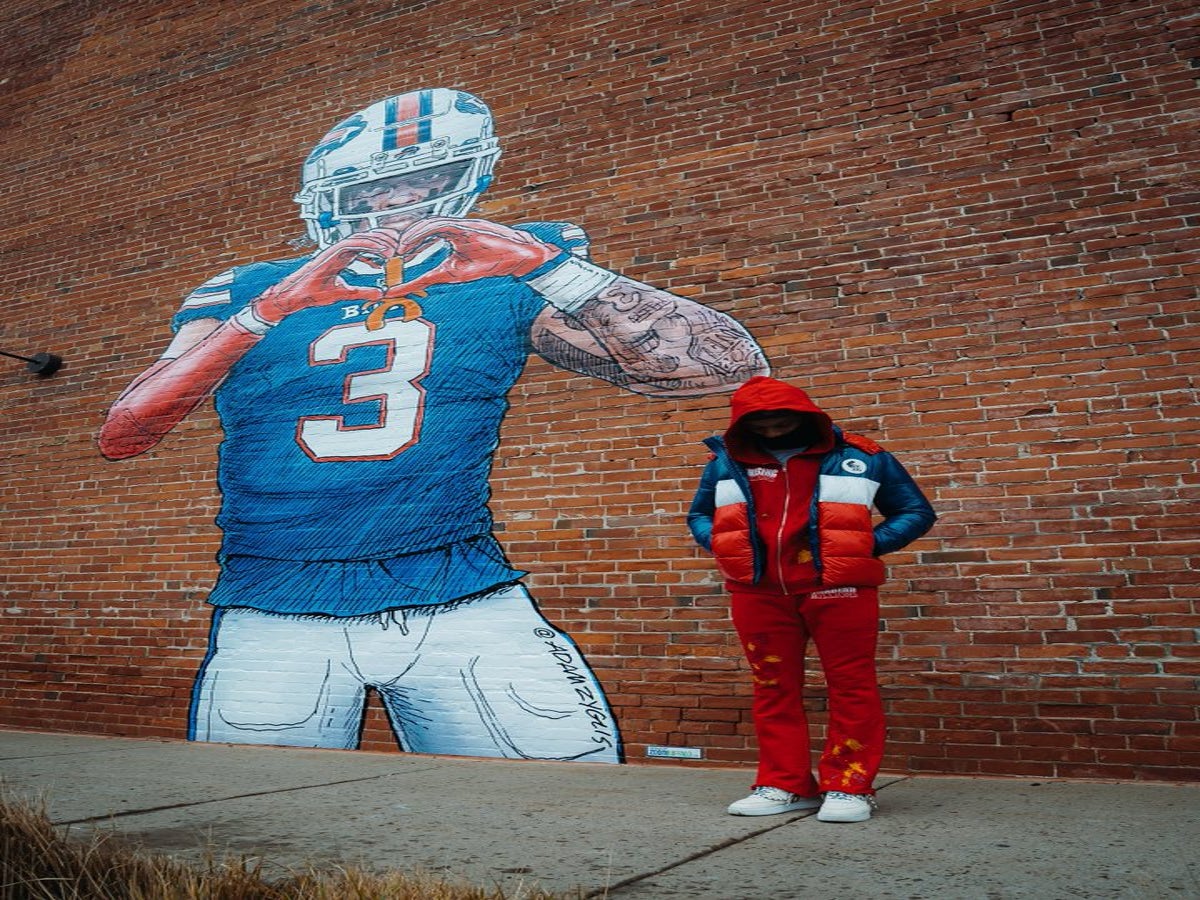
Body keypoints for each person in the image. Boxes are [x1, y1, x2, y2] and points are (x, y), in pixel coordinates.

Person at [100, 88, 768, 762]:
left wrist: (552, 270)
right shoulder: (246, 288)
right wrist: (269, 311)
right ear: (327, 198)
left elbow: (725, 368)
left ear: (467, 180)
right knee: (247, 817)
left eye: (424, 183)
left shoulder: (510, 264)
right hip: (274, 600)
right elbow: (125, 431)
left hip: (463, 591)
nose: (395, 206)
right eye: (372, 191)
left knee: (566, 792)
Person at [687, 375, 935, 821]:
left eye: (780, 418)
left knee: (851, 686)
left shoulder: (862, 456)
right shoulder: (725, 464)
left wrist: (865, 546)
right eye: (758, 422)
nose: (771, 427)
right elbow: (699, 514)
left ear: (806, 413)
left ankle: (850, 786)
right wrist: (723, 545)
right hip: (757, 592)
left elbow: (916, 511)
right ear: (744, 424)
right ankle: (784, 784)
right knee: (772, 687)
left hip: (840, 590)